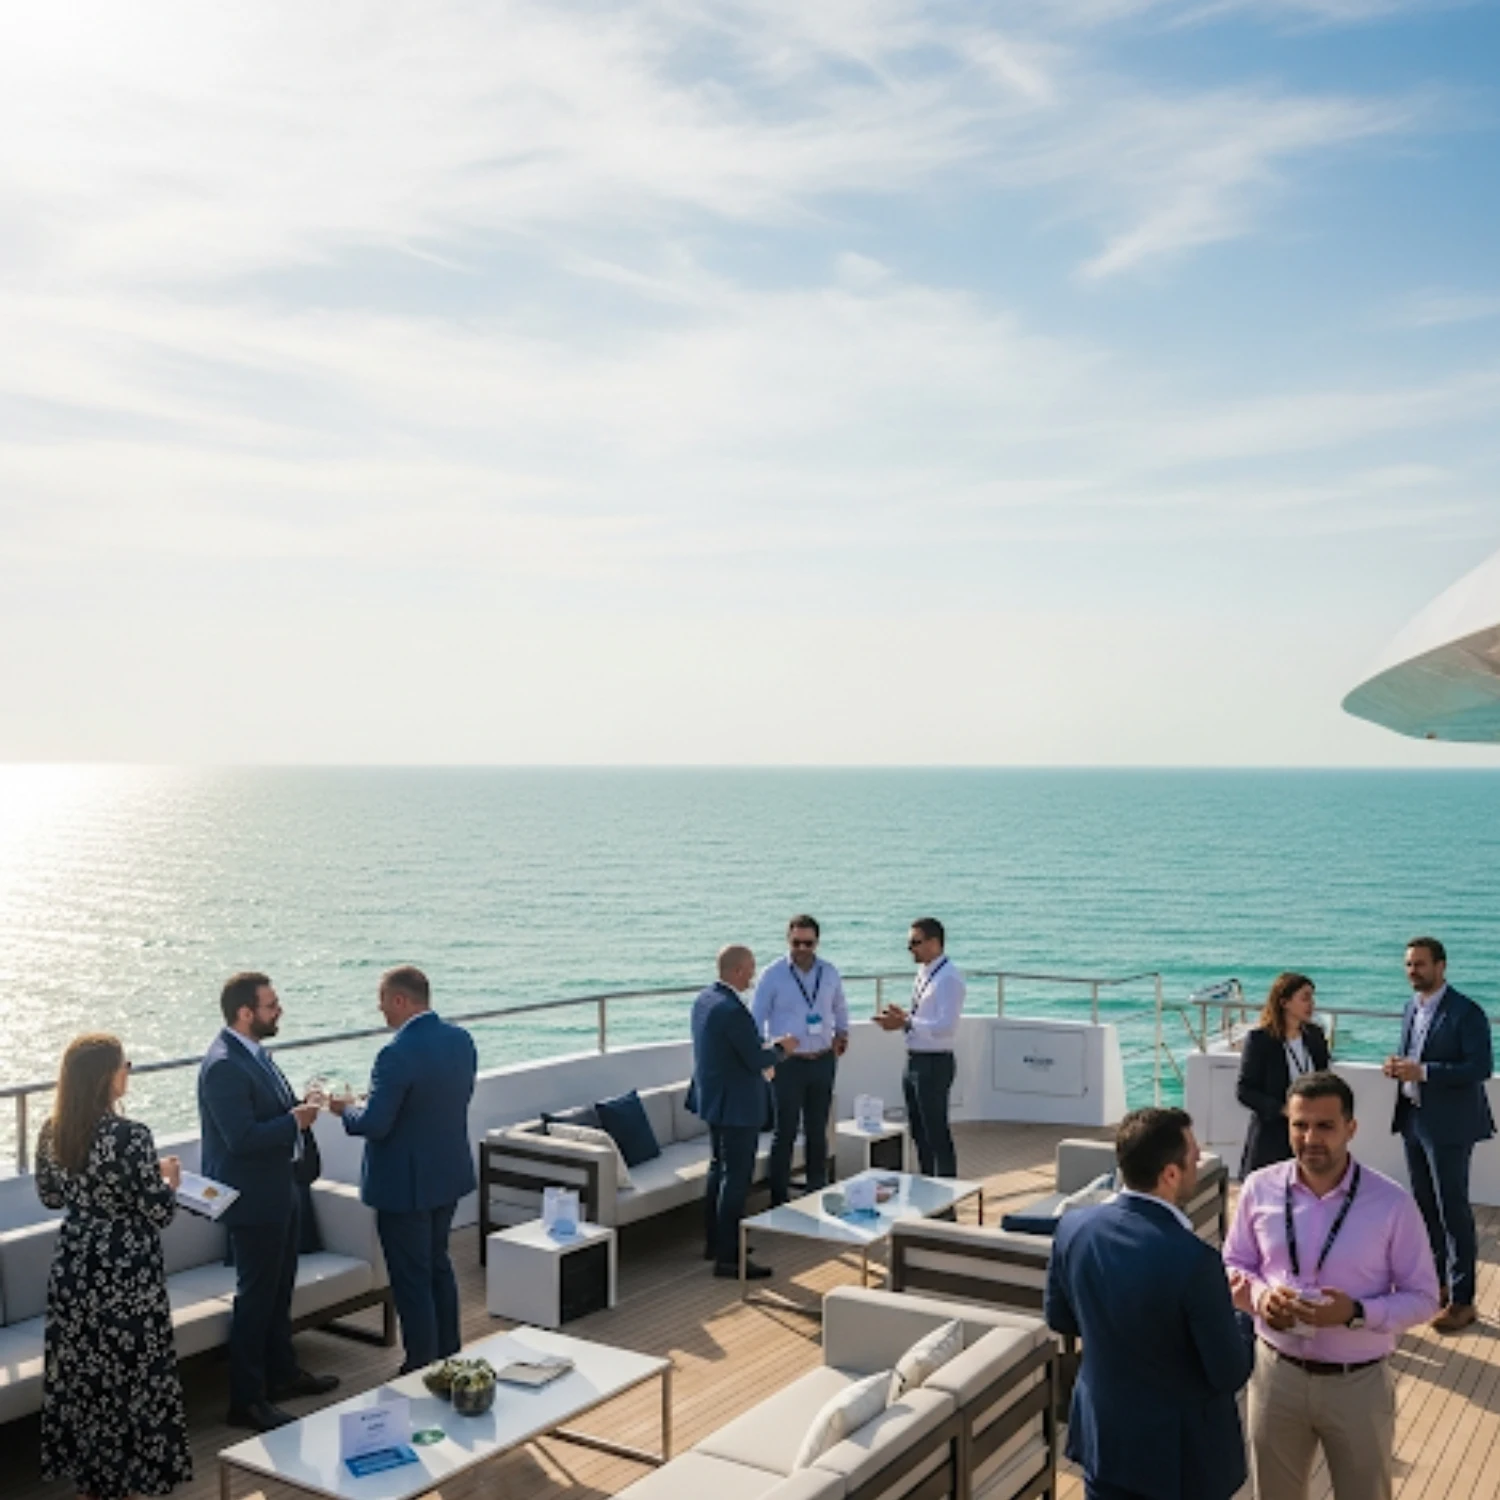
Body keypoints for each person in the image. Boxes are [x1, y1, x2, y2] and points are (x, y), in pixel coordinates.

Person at [1224, 1071, 1439, 1500]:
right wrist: (1262, 1299)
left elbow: (1424, 1297)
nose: (1310, 1138)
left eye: (1324, 1126)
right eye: (1300, 1125)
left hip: (1357, 1384)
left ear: (1350, 1128)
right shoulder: (1258, 1187)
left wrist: (1356, 1312)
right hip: (1276, 1377)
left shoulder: (1392, 1202)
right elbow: (1233, 1264)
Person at [1045, 1106, 1251, 1500]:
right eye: (1194, 1158)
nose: (1198, 1165)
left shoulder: (1073, 1228)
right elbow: (1229, 1372)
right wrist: (1240, 1313)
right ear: (1170, 1174)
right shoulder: (1196, 1261)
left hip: (1105, 1446)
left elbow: (1060, 1318)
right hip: (1179, 1465)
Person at [35, 1034, 193, 1500]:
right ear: (107, 1075)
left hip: (75, 1260)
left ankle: (92, 1484)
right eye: (126, 1065)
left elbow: (51, 1197)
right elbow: (158, 1211)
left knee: (85, 1374)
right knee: (132, 1373)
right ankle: (128, 1482)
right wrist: (169, 1180)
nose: (129, 1072)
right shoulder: (131, 1135)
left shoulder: (52, 1130)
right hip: (126, 1265)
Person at [198, 972, 338, 1432]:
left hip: (281, 1189)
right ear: (245, 1013)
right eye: (271, 1005)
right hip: (254, 1199)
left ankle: (283, 1374)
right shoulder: (223, 1066)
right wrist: (295, 1121)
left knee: (280, 1291)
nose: (279, 1011)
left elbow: (271, 1112)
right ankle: (246, 1400)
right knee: (256, 1299)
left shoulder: (256, 1055)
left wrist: (302, 1105)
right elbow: (239, 1138)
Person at [330, 965, 478, 1372]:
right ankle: (449, 1353)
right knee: (438, 1264)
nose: (381, 1011)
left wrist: (345, 1110)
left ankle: (420, 1364)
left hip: (404, 1185)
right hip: (447, 1173)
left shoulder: (395, 1054)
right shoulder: (461, 1040)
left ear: (400, 1000)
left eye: (383, 1002)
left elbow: (375, 1124)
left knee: (411, 1277)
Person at [1383, 935, 1494, 1333]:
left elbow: (1479, 1067)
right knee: (1425, 1207)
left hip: (1449, 1126)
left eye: (1420, 964)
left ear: (1441, 966)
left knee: (1453, 1211)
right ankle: (1438, 1283)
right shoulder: (1410, 1007)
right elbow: (1415, 1057)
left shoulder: (1467, 1012)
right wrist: (1398, 1068)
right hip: (1414, 1119)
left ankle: (1463, 1301)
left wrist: (1424, 1072)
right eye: (1408, 964)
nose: (1413, 971)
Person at [688, 945, 797, 1279]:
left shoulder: (704, 1000)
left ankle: (717, 1242)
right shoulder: (733, 1012)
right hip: (737, 1106)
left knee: (718, 1170)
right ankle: (729, 1259)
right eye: (750, 968)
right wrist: (781, 1049)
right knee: (736, 1179)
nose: (753, 974)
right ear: (737, 971)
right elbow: (755, 1059)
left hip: (713, 1100)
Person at [751, 915, 849, 1206]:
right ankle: (779, 1199)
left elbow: (840, 1006)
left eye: (809, 943)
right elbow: (756, 1018)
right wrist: (765, 1055)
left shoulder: (829, 972)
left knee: (818, 1130)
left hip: (823, 1060)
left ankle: (816, 1191)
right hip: (788, 1064)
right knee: (786, 1132)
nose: (802, 949)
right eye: (797, 943)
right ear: (788, 941)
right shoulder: (772, 975)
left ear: (817, 942)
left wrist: (842, 1033)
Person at [874, 917, 964, 1178]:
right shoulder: (925, 972)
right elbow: (924, 1019)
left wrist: (907, 1021)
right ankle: (928, 1183)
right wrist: (902, 1020)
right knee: (919, 1131)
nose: (910, 949)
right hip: (915, 1060)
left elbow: (946, 1026)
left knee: (936, 1133)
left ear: (934, 943)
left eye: (915, 942)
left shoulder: (948, 978)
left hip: (934, 1063)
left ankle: (947, 1190)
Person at [1237, 972, 1330, 1175]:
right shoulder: (1260, 1040)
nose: (1311, 1004)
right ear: (1284, 1002)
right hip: (1272, 1135)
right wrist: (1283, 1109)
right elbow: (1244, 1091)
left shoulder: (1315, 1035)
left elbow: (1325, 1078)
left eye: (1312, 998)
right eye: (1305, 998)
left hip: (1309, 1134)